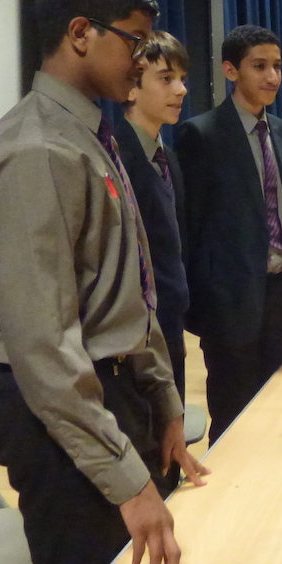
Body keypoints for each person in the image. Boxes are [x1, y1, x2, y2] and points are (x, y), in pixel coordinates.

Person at [0, 0, 208, 564]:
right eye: (135, 41)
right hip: (49, 402)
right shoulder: (37, 150)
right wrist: (128, 480)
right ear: (80, 33)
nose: (143, 60)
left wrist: (166, 402)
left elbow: (129, 287)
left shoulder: (91, 134)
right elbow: (45, 346)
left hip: (106, 383)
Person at [175, 24, 282, 443]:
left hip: (278, 296)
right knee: (234, 420)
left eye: (276, 66)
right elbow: (192, 232)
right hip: (230, 304)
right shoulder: (201, 135)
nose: (272, 76)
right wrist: (204, 311)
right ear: (230, 70)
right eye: (259, 66)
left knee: (279, 406)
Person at [116, 30, 191, 403]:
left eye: (182, 79)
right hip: (132, 339)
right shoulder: (112, 158)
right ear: (131, 87)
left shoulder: (168, 158)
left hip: (170, 325)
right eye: (166, 79)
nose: (180, 90)